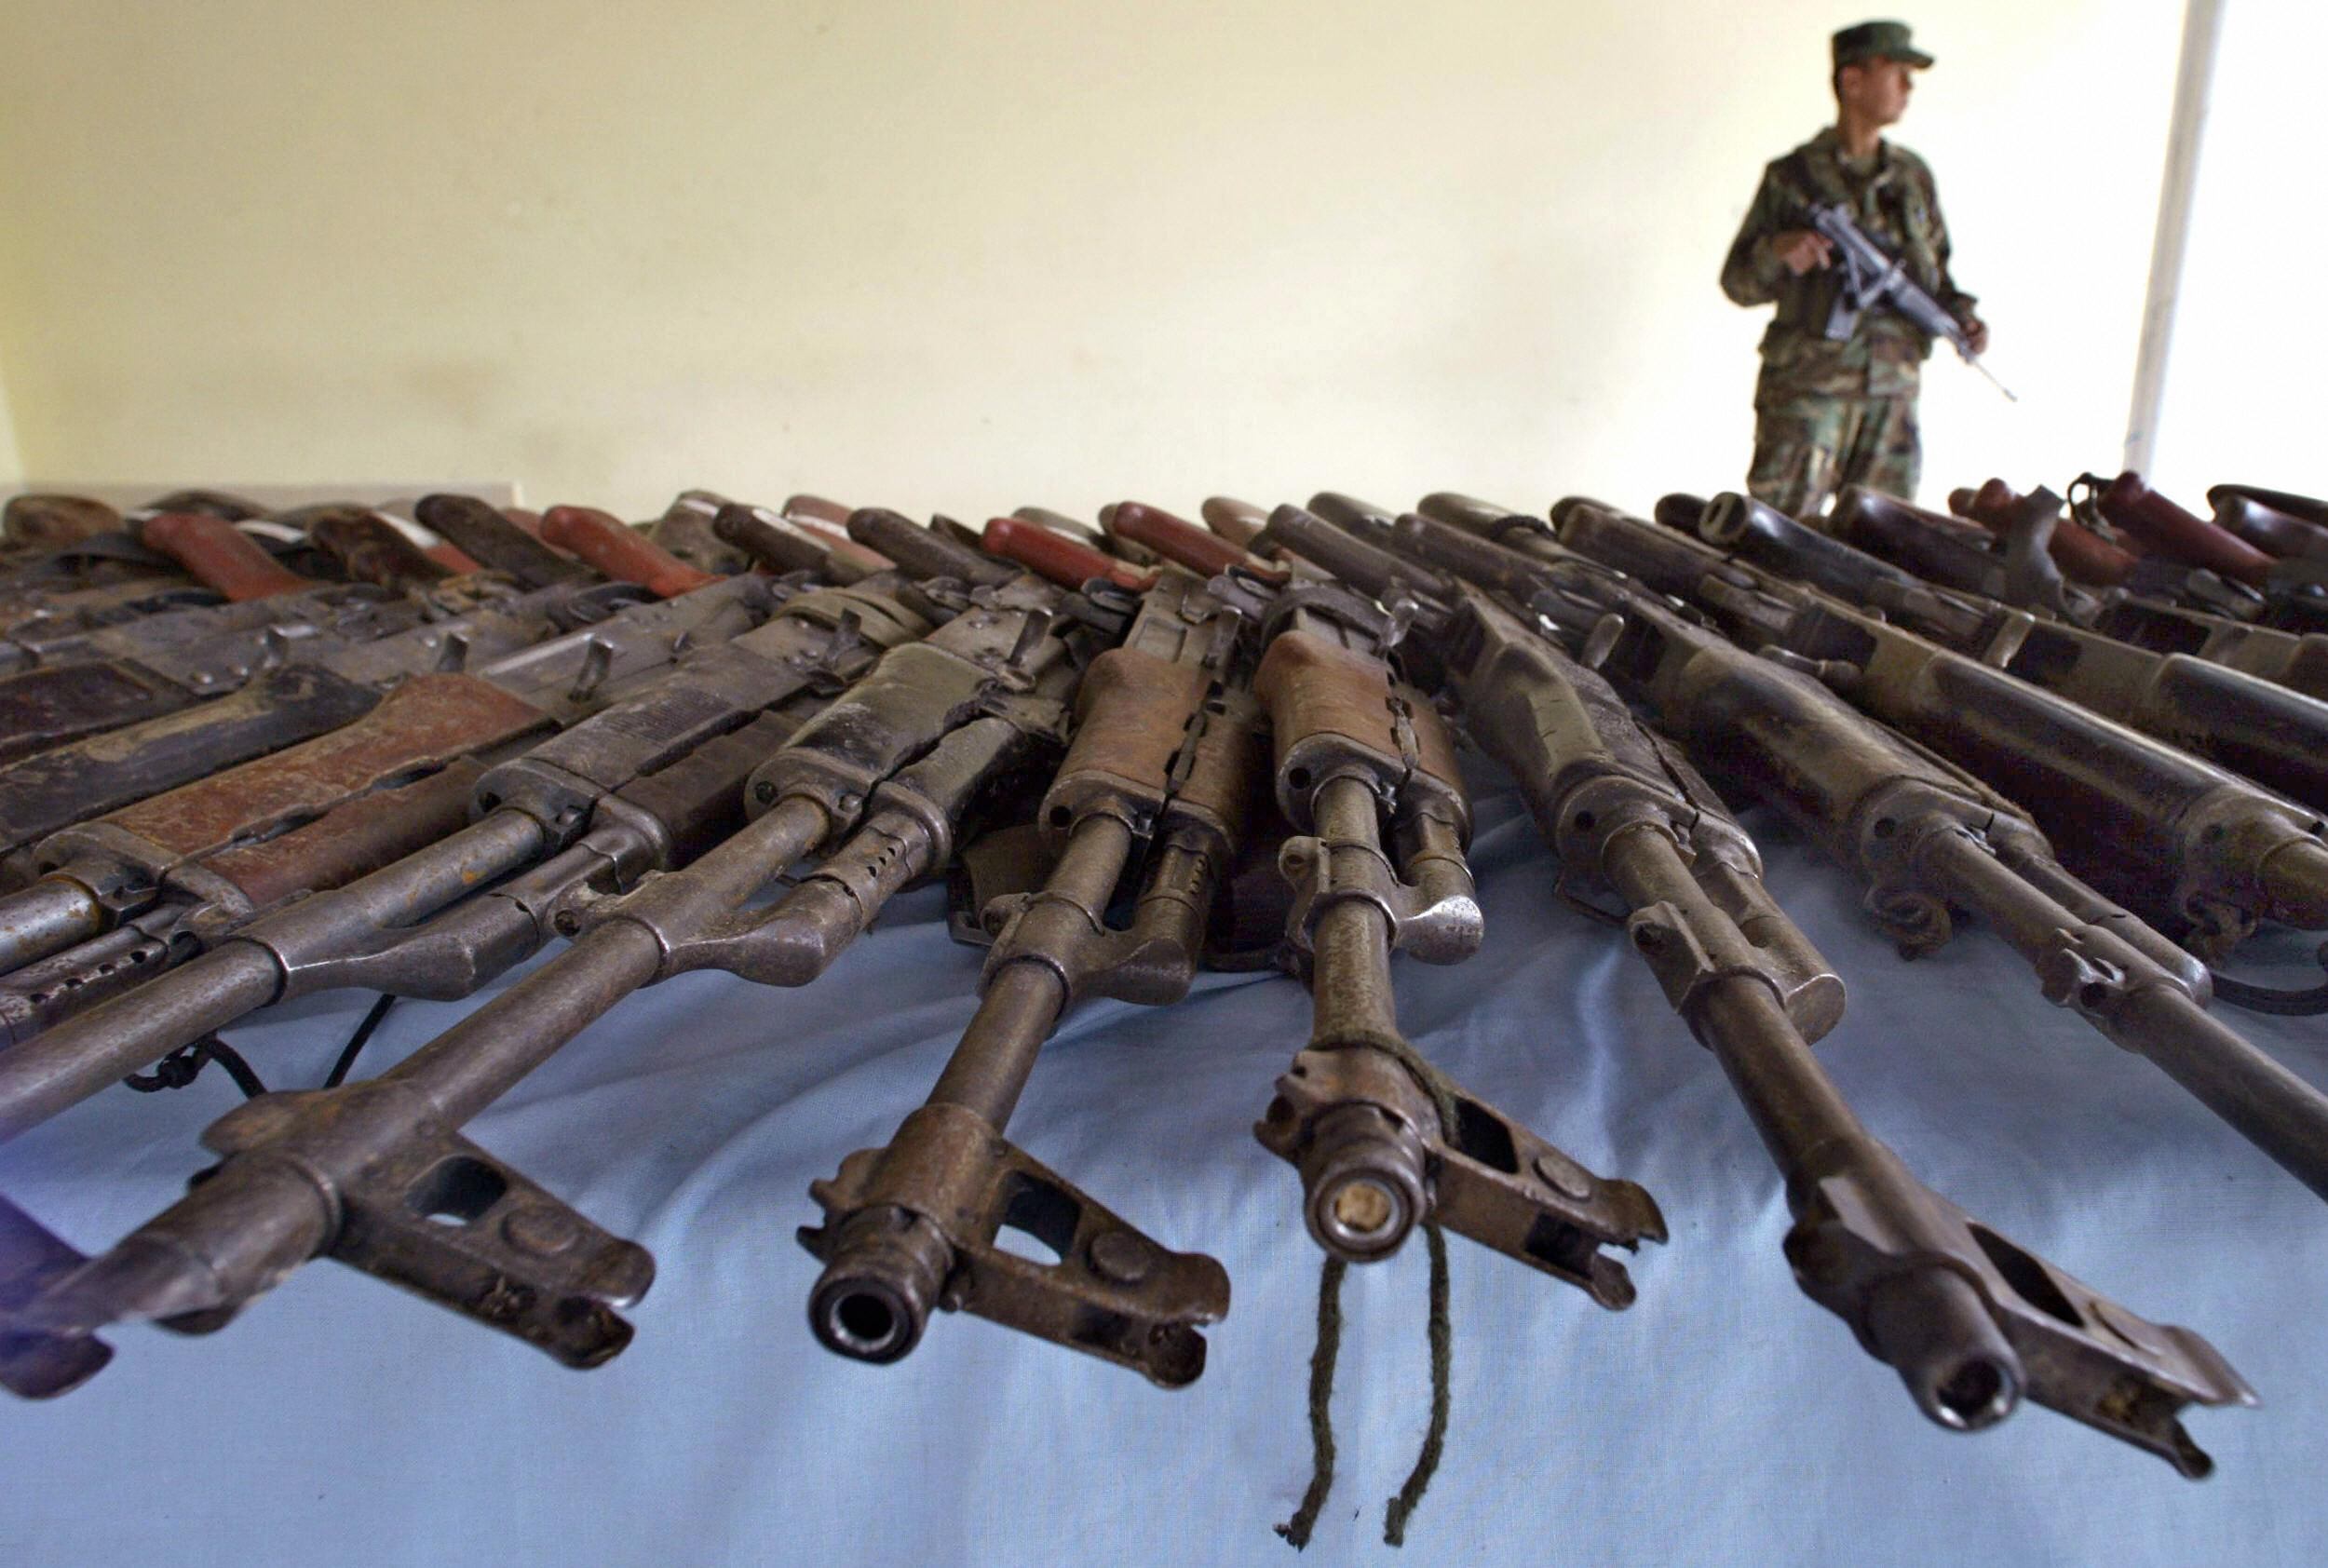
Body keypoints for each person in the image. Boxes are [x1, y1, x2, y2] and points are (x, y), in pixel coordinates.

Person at [1721, 20, 1987, 520]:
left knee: (1884, 542)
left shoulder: (1911, 179)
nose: (1909, 87)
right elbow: (1737, 282)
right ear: (1853, 81)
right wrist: (1780, 252)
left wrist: (1963, 318)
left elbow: (1937, 278)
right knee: (1776, 537)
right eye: (1897, 71)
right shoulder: (1793, 177)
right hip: (1808, 394)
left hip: (1892, 396)